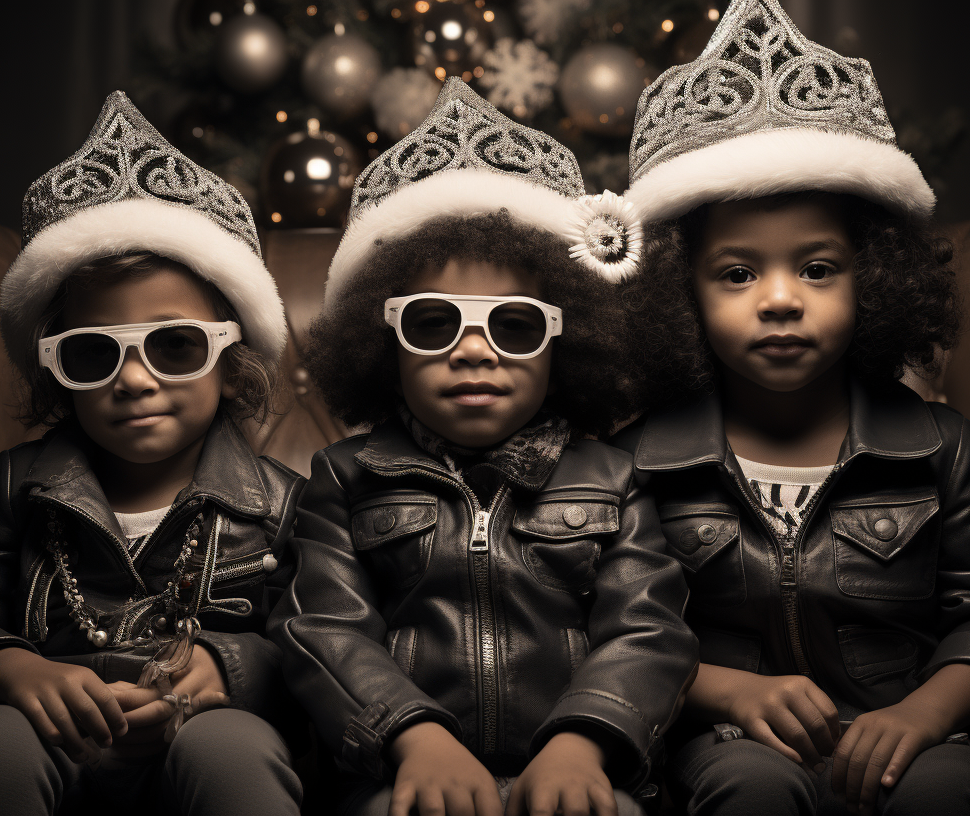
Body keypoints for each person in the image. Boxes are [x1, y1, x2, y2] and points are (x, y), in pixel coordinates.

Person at [611, 2, 970, 814]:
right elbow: (621, 632)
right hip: (730, 744)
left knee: (948, 794)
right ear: (681, 295)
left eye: (817, 269)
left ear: (875, 281)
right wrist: (730, 694)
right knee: (748, 792)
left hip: (917, 738)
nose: (780, 301)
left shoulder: (936, 446)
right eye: (738, 274)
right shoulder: (643, 460)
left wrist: (926, 713)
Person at [267, 79, 697, 816]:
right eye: (433, 324)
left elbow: (649, 631)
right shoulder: (344, 478)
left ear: (567, 340)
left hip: (582, 772)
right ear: (381, 340)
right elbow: (323, 631)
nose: (474, 352)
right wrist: (412, 737)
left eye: (515, 326)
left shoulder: (614, 480)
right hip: (401, 774)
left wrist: (584, 740)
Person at [0, 92, 304, 816]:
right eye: (94, 353)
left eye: (176, 345)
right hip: (56, 736)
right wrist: (15, 670)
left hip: (199, 736)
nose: (133, 379)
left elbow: (315, 644)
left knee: (235, 750)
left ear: (230, 361)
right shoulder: (21, 488)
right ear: (57, 373)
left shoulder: (281, 505)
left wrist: (227, 665)